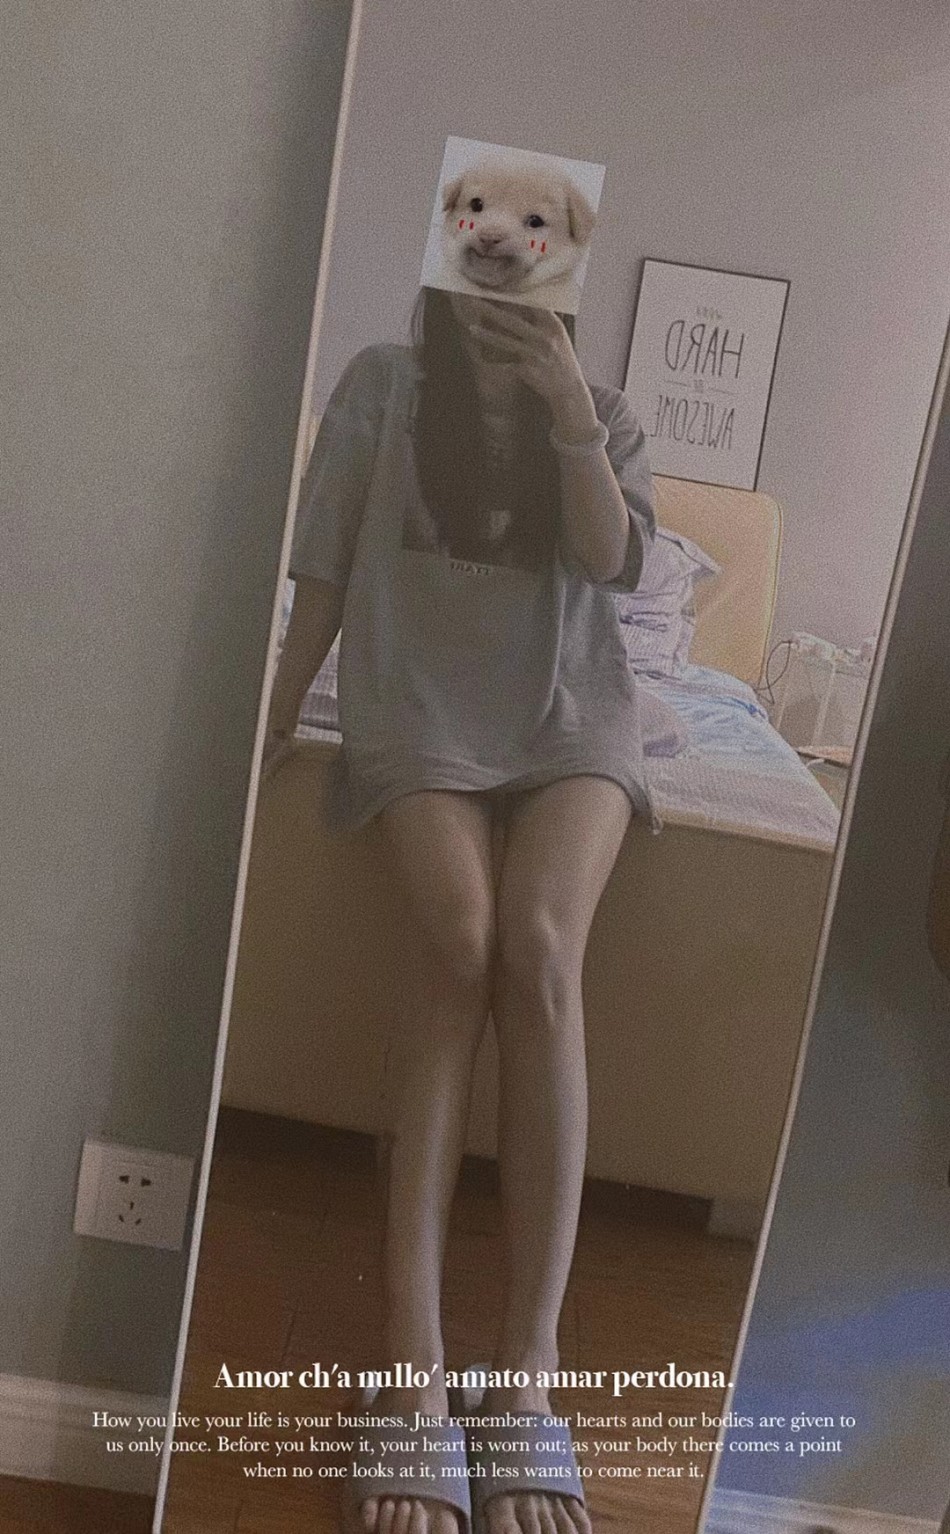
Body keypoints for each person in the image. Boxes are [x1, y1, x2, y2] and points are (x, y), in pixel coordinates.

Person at [263, 286, 659, 1534]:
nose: (505, 264)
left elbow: (609, 561)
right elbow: (322, 575)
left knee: (537, 950)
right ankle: (412, 1364)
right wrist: (271, 715)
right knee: (460, 938)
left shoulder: (602, 412)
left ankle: (527, 1369)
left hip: (572, 717)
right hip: (418, 709)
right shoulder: (381, 385)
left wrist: (564, 409)